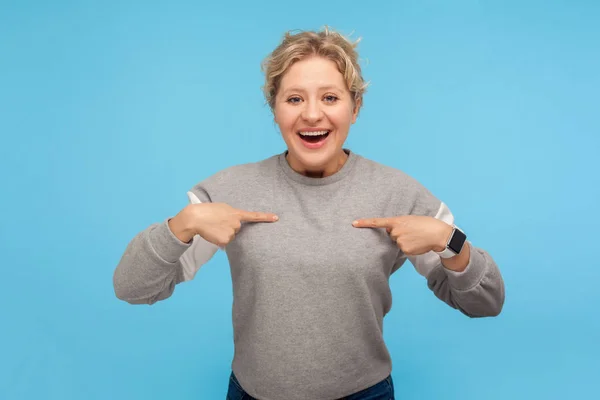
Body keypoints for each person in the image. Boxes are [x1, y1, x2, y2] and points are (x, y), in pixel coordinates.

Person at [113, 26, 505, 400]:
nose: (312, 115)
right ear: (275, 109)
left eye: (330, 98)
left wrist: (449, 241)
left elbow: (486, 303)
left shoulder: (398, 194)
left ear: (355, 107)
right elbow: (132, 288)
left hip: (365, 395)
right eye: (295, 98)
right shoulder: (228, 191)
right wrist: (182, 225)